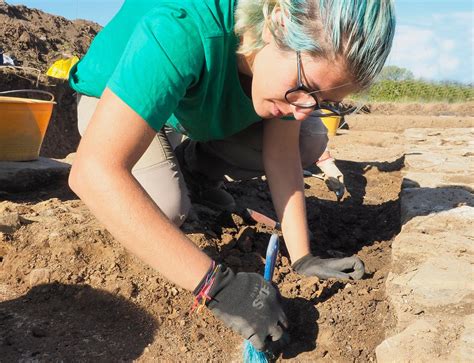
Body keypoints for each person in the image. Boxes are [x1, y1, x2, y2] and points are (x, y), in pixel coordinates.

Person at [68, 0, 395, 352]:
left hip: (189, 101)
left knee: (309, 139)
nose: (303, 110)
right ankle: (164, 163)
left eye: (322, 101)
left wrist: (302, 257)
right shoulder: (184, 24)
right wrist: (217, 286)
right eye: (305, 86)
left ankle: (192, 167)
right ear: (279, 22)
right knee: (165, 207)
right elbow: (93, 171)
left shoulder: (290, 73)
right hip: (115, 94)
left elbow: (282, 155)